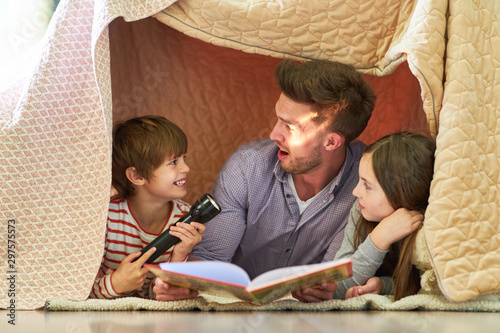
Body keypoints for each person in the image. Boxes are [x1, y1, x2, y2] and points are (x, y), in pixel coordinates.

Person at [154, 58, 377, 302]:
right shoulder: (247, 167)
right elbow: (209, 256)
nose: (273, 134)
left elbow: (338, 275)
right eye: (278, 118)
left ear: (332, 142)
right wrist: (185, 284)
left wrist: (326, 289)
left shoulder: (366, 185)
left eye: (289, 127)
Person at [294, 131, 436, 302]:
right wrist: (383, 285)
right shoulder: (360, 210)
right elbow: (337, 284)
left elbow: (426, 286)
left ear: (401, 194)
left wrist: (379, 239)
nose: (356, 192)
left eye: (367, 186)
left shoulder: (429, 228)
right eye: (359, 181)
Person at [89, 115, 206, 299]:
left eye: (184, 158)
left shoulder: (184, 216)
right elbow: (78, 290)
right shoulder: (106, 217)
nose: (186, 168)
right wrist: (115, 283)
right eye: (174, 162)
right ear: (136, 176)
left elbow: (160, 296)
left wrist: (179, 255)